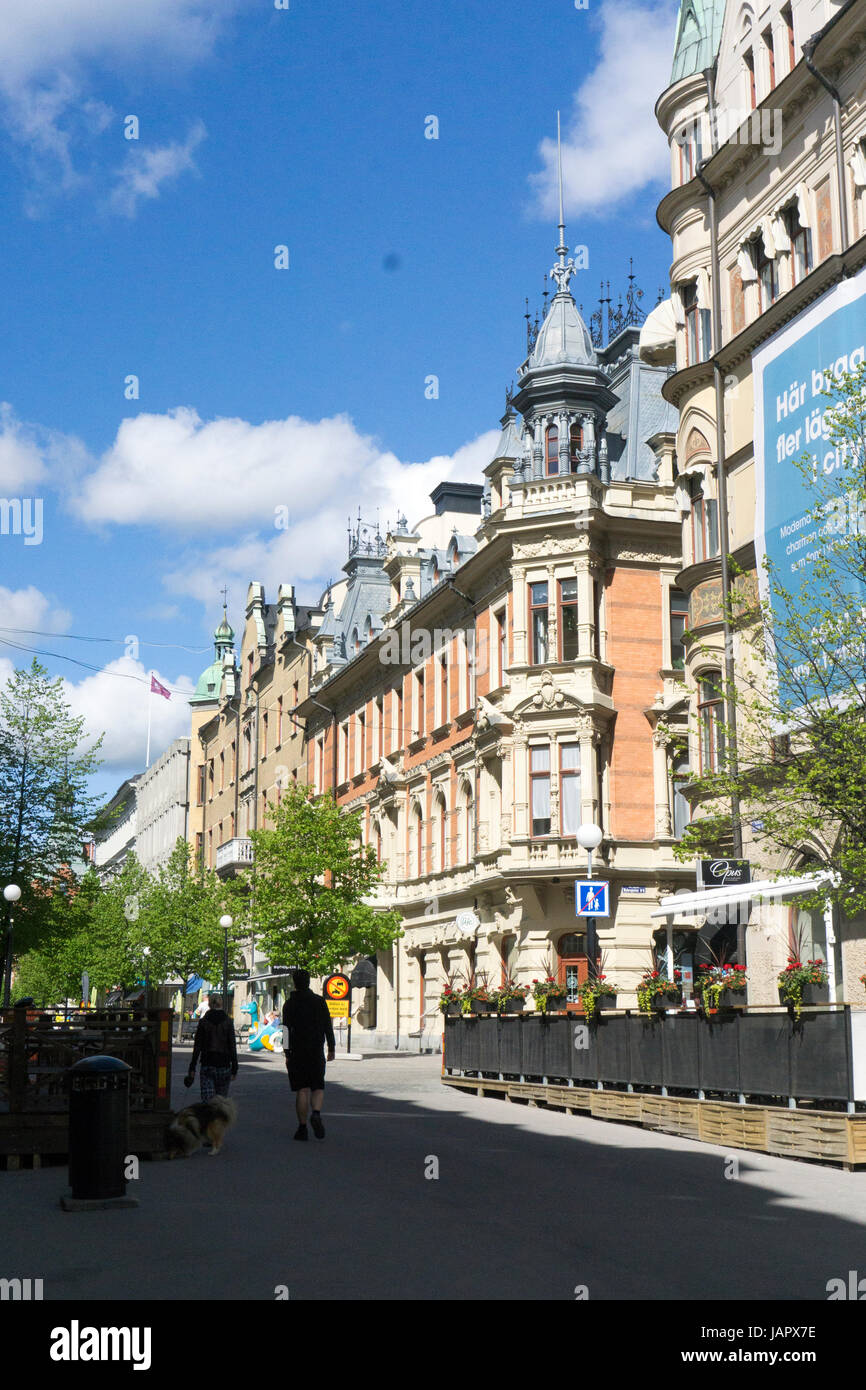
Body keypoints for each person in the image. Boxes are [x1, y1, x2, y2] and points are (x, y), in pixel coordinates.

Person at [282, 969, 335, 1140]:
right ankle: (317, 1113)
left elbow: (285, 1030)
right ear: (309, 982)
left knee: (302, 1090)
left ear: (294, 983)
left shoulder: (289, 1004)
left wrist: (287, 1052)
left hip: (297, 1052)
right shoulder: (319, 1002)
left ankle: (302, 1127)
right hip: (316, 1050)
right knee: (318, 1086)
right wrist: (331, 1047)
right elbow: (328, 1025)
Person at [187, 994, 238, 1101]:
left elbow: (197, 1046)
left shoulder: (204, 1022)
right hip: (224, 1065)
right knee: (220, 1102)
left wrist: (192, 1067)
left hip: (208, 1064)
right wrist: (234, 1068)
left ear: (209, 1004)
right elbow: (232, 1046)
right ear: (221, 1003)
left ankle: (209, 1117)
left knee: (208, 1102)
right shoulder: (228, 1022)